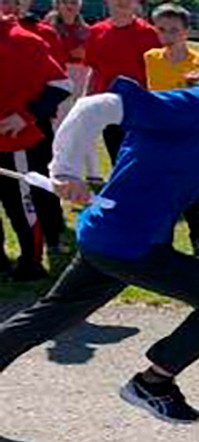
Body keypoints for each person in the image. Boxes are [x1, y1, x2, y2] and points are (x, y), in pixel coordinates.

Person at [0, 25, 199, 423]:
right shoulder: (193, 106)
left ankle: (153, 382)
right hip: (128, 242)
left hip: (113, 238)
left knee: (48, 317)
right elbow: (95, 107)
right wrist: (65, 169)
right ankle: (153, 382)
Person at [143, 3, 199, 263]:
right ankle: (161, 247)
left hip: (194, 141)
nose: (167, 36)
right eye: (162, 29)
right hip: (162, 139)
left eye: (174, 30)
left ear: (186, 31)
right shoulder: (151, 58)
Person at [0, 5, 71, 280]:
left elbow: (61, 85)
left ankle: (31, 261)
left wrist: (24, 117)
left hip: (13, 141)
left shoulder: (25, 40)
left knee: (21, 204)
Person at [84, 0, 160, 161]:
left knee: (140, 162)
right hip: (108, 109)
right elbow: (94, 71)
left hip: (139, 111)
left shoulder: (149, 34)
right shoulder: (96, 31)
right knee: (116, 160)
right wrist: (85, 102)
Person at [43, 0, 101, 188]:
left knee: (85, 124)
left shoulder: (85, 29)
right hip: (59, 78)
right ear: (57, 4)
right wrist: (70, 52)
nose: (71, 5)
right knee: (60, 128)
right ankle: (59, 172)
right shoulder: (48, 27)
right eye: (66, 2)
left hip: (82, 77)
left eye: (75, 2)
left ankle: (93, 174)